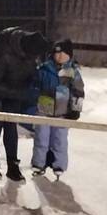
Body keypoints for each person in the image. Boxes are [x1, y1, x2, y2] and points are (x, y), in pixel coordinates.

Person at [0, 26, 51, 181]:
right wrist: (20, 94)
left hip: (13, 87)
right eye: (34, 55)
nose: (35, 58)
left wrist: (33, 89)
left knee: (11, 123)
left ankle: (12, 165)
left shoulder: (31, 52)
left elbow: (31, 74)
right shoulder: (2, 51)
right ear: (25, 50)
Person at [30, 39, 84, 180]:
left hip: (62, 113)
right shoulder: (44, 69)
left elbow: (78, 91)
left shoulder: (72, 71)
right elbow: (34, 86)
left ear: (69, 55)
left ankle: (58, 164)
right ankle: (39, 163)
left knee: (60, 139)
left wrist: (75, 109)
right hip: (44, 111)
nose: (60, 56)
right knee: (41, 138)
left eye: (63, 53)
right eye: (57, 53)